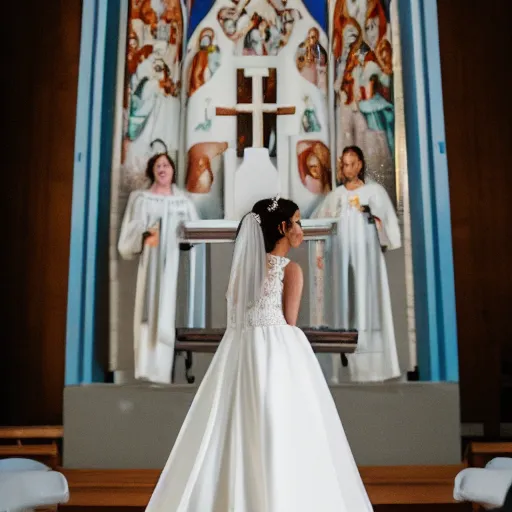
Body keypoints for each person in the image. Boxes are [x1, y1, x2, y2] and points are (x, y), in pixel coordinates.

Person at [146, 196, 373, 511]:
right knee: (281, 430)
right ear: (283, 227)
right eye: (298, 222)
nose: (301, 231)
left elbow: (239, 319)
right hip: (277, 356)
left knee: (233, 429)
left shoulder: (242, 272)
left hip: (238, 354)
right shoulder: (291, 270)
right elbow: (289, 323)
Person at [313, 145, 401, 383]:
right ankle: (343, 364)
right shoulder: (336, 196)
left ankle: (374, 367)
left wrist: (369, 215)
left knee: (370, 304)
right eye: (344, 164)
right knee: (345, 307)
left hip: (368, 261)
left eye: (352, 164)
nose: (347, 169)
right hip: (342, 263)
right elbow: (321, 226)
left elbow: (387, 227)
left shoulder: (374, 192)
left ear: (360, 165)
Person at [118, 152, 198, 384]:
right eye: (157, 165)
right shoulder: (141, 199)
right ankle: (147, 369)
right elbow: (131, 230)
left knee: (171, 312)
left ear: (173, 170)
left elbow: (194, 234)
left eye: (166, 165)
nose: (162, 169)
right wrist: (145, 234)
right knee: (149, 311)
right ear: (152, 170)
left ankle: (170, 370)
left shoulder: (183, 202)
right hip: (151, 265)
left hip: (176, 265)